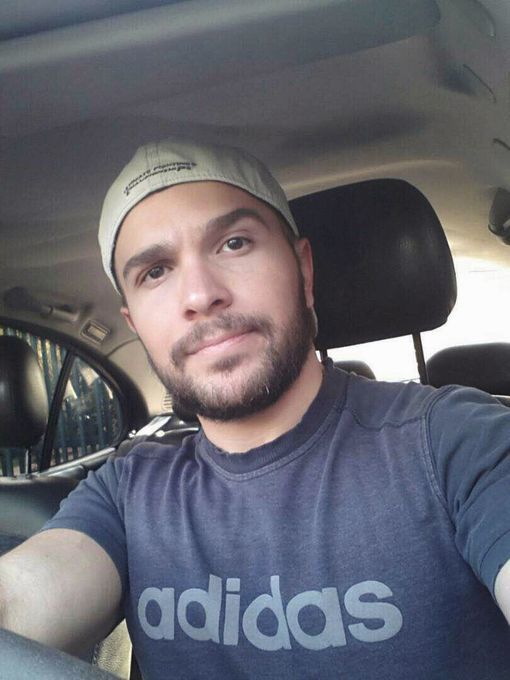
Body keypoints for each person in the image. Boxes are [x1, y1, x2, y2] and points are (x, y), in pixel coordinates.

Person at [0, 137, 509, 679]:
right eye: (155, 272)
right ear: (136, 325)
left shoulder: (458, 441)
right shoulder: (125, 492)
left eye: (234, 243)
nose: (199, 294)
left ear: (303, 272)